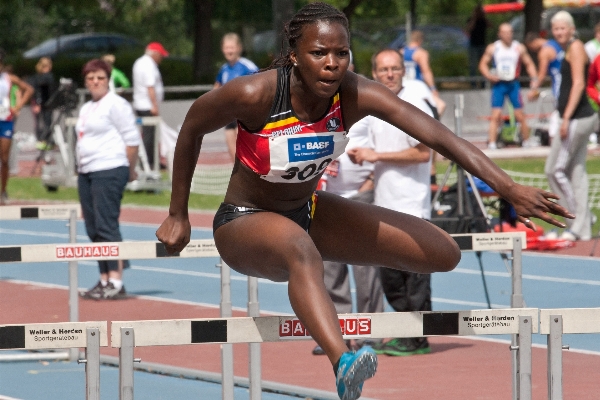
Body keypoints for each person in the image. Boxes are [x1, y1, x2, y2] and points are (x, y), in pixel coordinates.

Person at [155, 3, 572, 399]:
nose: (332, 63)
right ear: (294, 55)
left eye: (341, 52)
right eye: (319, 53)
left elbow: (438, 135)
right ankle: (344, 362)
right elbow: (191, 126)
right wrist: (178, 214)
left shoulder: (353, 94)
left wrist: (509, 188)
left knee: (442, 253)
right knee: (300, 250)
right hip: (244, 222)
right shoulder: (254, 93)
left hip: (309, 212)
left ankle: (321, 285)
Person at [348, 48, 434, 357]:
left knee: (415, 277)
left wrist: (376, 156)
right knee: (392, 277)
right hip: (384, 205)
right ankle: (402, 333)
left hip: (412, 205)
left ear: (403, 71)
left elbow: (424, 152)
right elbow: (371, 154)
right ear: (374, 73)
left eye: (395, 69)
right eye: (383, 69)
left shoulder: (413, 103)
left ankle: (418, 339)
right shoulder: (375, 109)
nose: (389, 74)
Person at [312, 49, 384, 356]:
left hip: (360, 195)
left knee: (366, 269)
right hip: (327, 198)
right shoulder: (317, 102)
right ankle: (336, 333)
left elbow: (383, 149)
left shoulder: (366, 102)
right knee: (329, 271)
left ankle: (372, 331)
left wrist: (370, 184)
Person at [77, 59, 139, 299]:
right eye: (91, 78)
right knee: (93, 227)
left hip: (110, 168)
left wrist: (129, 170)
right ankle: (103, 279)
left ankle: (116, 279)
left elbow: (131, 140)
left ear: (108, 79)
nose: (95, 82)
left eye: (100, 77)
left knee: (106, 225)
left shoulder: (116, 104)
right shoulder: (86, 107)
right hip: (87, 171)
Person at [545, 11, 597, 242]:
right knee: (576, 173)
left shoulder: (575, 48)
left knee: (554, 170)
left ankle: (577, 220)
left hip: (577, 117)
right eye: (555, 29)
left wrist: (565, 118)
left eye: (562, 28)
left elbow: (578, 84)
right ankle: (583, 227)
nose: (558, 33)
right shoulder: (568, 48)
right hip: (578, 117)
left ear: (571, 28)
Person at [479, 23, 538, 149]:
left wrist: (534, 80)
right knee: (496, 115)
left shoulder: (518, 47)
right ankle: (492, 143)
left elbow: (529, 64)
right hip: (499, 85)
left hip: (513, 84)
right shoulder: (494, 48)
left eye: (510, 32)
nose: (507, 35)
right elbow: (483, 64)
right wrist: (489, 76)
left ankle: (526, 141)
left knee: (520, 115)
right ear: (499, 34)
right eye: (504, 32)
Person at [214, 33, 259, 161]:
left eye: (232, 47)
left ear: (239, 48)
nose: (229, 51)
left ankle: (249, 175)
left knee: (244, 148)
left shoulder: (248, 66)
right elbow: (217, 88)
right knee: (232, 149)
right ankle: (236, 176)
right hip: (228, 114)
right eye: (226, 48)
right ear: (222, 49)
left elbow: (259, 83)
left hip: (243, 114)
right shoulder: (224, 69)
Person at [0, 49, 34, 204]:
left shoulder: (8, 78)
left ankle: (3, 191)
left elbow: (29, 89)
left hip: (5, 120)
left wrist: (18, 106)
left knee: (5, 158)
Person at [132, 42, 168, 168]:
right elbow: (150, 87)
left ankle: (149, 160)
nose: (161, 58)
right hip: (147, 105)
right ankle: (149, 162)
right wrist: (154, 106)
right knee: (150, 135)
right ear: (155, 54)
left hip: (141, 104)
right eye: (160, 55)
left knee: (148, 134)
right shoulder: (148, 65)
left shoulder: (140, 62)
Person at [27, 57, 55, 149]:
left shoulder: (38, 76)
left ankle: (44, 139)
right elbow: (38, 91)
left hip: (44, 103)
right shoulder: (45, 77)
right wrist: (38, 103)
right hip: (43, 103)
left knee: (44, 122)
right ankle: (43, 140)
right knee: (45, 122)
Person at [466, 4, 491, 86]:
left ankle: (483, 83)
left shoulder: (483, 20)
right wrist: (474, 18)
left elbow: (490, 25)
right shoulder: (471, 20)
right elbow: (469, 29)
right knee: (473, 66)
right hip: (473, 45)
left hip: (482, 45)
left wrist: (484, 17)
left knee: (483, 64)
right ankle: (473, 84)